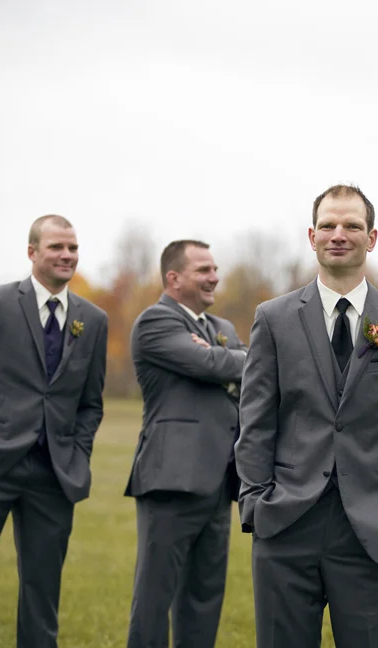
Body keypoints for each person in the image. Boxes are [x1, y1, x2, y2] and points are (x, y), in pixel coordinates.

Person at [234, 184, 378, 647]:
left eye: (352, 225)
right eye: (327, 225)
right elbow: (255, 423)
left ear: (372, 238)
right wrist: (255, 504)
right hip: (286, 524)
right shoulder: (273, 318)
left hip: (374, 529)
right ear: (312, 236)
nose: (338, 234)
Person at [0, 214, 108, 648]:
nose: (67, 255)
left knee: (42, 596)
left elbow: (91, 403)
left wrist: (77, 454)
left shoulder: (93, 319)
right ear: (32, 252)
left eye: (73, 247)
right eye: (56, 247)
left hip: (54, 474)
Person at [124, 240, 246, 648]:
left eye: (215, 269)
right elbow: (211, 364)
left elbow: (242, 370)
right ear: (174, 278)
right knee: (155, 595)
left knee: (205, 597)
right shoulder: (155, 321)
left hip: (220, 482)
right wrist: (226, 362)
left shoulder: (222, 328)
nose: (215, 277)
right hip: (170, 480)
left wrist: (226, 361)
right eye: (204, 270)